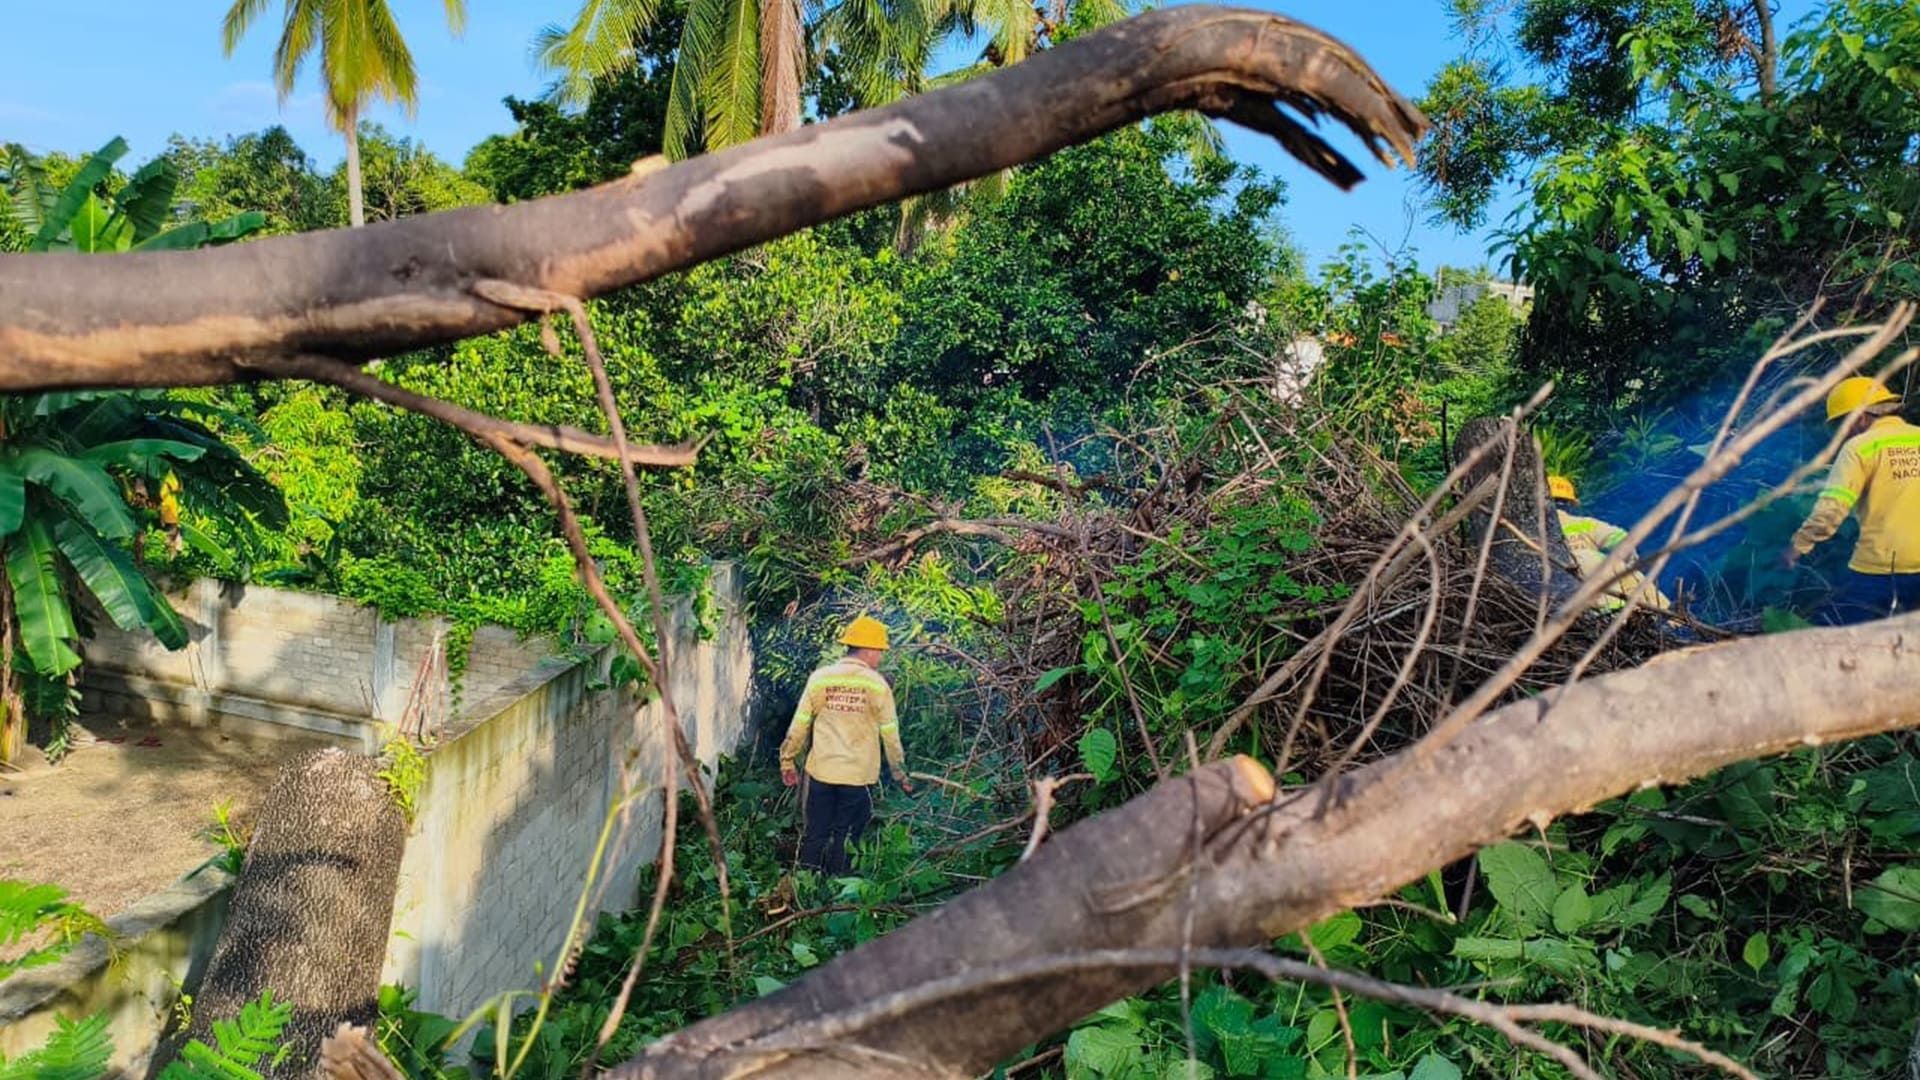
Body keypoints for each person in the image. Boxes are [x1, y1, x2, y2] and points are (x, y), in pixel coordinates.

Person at [778, 615, 912, 875]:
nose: (880, 658)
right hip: (858, 777)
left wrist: (787, 760)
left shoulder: (820, 678)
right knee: (847, 837)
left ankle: (805, 885)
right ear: (869, 650)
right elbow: (891, 737)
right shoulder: (877, 685)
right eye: (880, 651)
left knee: (815, 833)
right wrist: (900, 773)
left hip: (822, 773)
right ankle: (837, 894)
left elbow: (800, 724)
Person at [1783, 377, 1920, 624]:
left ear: (1859, 418)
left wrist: (1797, 546)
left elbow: (1832, 509)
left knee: (1852, 638)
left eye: (1841, 424)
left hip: (1882, 568)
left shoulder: (1859, 448)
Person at [1548, 475, 1672, 613]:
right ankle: (1667, 620)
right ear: (1571, 504)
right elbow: (1624, 542)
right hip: (1589, 573)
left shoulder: (1530, 526)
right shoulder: (1585, 523)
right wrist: (1629, 563)